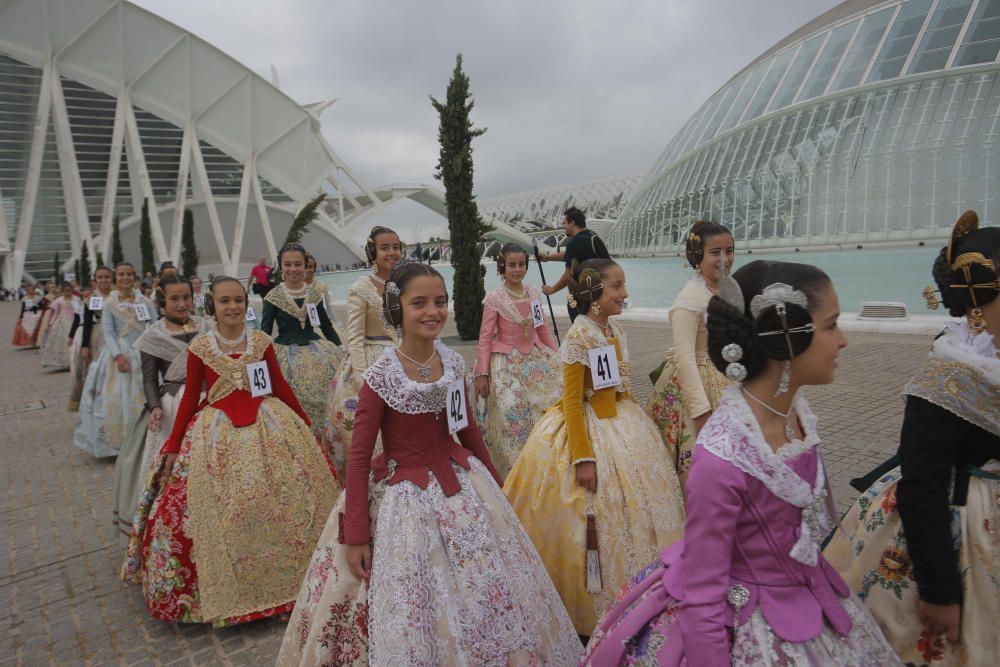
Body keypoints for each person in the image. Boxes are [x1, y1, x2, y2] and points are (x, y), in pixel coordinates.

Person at [582, 260, 901, 666]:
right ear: (785, 337)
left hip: (805, 602)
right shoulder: (725, 455)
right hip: (747, 624)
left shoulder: (797, 417)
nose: (842, 341)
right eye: (831, 325)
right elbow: (704, 593)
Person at [276, 262, 581, 666]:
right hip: (405, 499)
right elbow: (359, 457)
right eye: (418, 303)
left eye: (440, 301)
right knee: (417, 596)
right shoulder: (381, 376)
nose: (432, 311)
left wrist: (501, 496)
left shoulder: (453, 364)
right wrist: (355, 534)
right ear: (396, 308)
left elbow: (469, 434)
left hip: (462, 485)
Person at [825, 211, 1000, 665]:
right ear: (980, 302)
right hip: (963, 530)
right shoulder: (952, 372)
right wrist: (941, 591)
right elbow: (922, 484)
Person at [121, 276, 339, 625]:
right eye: (225, 301)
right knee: (234, 504)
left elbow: (279, 385)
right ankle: (235, 588)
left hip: (270, 425)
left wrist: (302, 424)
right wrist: (174, 445)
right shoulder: (202, 348)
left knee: (283, 499)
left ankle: (292, 584)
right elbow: (191, 396)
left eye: (238, 300)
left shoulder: (262, 342)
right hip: (217, 432)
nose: (233, 307)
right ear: (212, 306)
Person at [503, 259, 686, 637]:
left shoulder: (612, 327)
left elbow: (620, 384)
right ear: (594, 294)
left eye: (624, 286)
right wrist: (582, 457)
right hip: (589, 430)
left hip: (623, 422)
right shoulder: (580, 337)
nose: (625, 293)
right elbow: (572, 401)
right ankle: (594, 609)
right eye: (616, 287)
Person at [111, 275, 210, 548]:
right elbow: (150, 378)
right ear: (161, 301)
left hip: (208, 403)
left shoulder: (206, 327)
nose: (182, 304)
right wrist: (154, 405)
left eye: (186, 297)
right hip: (173, 406)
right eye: (174, 299)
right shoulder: (153, 336)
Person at [645, 221, 736, 488]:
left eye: (729, 251)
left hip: (729, 378)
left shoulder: (729, 288)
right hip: (698, 386)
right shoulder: (689, 299)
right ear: (698, 256)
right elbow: (685, 356)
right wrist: (701, 412)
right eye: (715, 252)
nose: (724, 259)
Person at [473, 243, 561, 476]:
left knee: (554, 402)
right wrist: (482, 373)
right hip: (507, 361)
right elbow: (485, 337)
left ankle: (550, 459)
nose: (517, 269)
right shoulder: (494, 298)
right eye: (512, 265)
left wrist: (557, 356)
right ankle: (520, 469)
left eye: (521, 264)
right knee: (514, 411)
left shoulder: (533, 293)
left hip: (535, 355)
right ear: (502, 266)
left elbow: (542, 329)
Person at [322, 226, 401, 480]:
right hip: (370, 360)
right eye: (385, 248)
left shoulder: (405, 283)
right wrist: (362, 376)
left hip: (403, 358)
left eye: (396, 247)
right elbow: (355, 337)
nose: (392, 252)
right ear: (372, 252)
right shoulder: (361, 288)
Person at [261, 244, 344, 450]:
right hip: (285, 355)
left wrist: (341, 349)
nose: (293, 269)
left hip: (319, 352)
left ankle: (327, 445)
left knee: (328, 398)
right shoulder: (273, 297)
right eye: (287, 264)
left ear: (306, 266)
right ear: (280, 267)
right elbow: (264, 331)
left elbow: (325, 325)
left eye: (298, 264)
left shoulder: (314, 294)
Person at [74, 262, 156, 458]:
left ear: (134, 277)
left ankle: (148, 439)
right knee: (118, 397)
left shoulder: (145, 302)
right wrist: (118, 356)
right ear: (116, 277)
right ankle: (123, 441)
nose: (125, 278)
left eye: (129, 274)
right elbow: (109, 333)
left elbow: (153, 326)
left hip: (142, 351)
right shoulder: (109, 303)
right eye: (121, 275)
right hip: (118, 355)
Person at [540, 206, 610, 321]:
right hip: (600, 296)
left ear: (572, 223)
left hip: (582, 301)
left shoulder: (575, 242)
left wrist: (551, 290)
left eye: (564, 223)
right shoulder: (591, 236)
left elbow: (568, 275)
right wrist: (548, 257)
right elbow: (569, 254)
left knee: (582, 333)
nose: (563, 227)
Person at [69, 267, 113, 414]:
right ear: (95, 280)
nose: (104, 280)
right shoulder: (93, 298)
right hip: (99, 335)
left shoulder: (119, 295)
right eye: (100, 277)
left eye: (107, 277)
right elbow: (87, 322)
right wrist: (85, 345)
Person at [39, 282, 79, 370]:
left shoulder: (76, 299)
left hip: (74, 322)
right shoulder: (59, 300)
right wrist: (50, 324)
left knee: (74, 341)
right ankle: (64, 362)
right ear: (62, 291)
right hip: (62, 322)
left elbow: (78, 312)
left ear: (72, 290)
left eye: (69, 291)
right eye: (65, 291)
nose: (68, 293)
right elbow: (55, 314)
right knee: (62, 342)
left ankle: (73, 361)